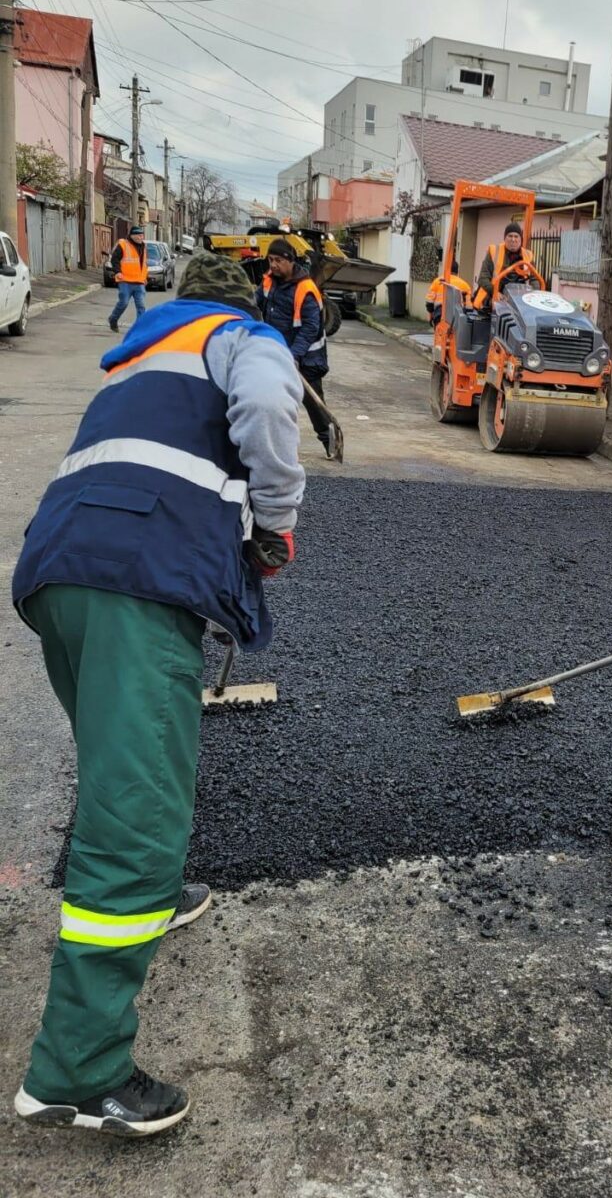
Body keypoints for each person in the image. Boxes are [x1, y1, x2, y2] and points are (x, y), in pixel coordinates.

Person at [11, 251, 304, 1135]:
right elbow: (267, 406)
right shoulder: (244, 338)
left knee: (117, 764)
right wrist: (276, 521)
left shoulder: (137, 359)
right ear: (240, 304)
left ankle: (156, 896)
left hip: (57, 571)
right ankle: (77, 1070)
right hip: (135, 585)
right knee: (137, 819)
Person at [257, 237, 334, 458]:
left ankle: (330, 441)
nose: (273, 265)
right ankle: (274, 445)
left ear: (290, 261)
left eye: (278, 260)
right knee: (272, 400)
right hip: (277, 354)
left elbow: (311, 327)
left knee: (314, 403)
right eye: (271, 260)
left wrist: (294, 355)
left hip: (307, 358)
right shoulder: (269, 282)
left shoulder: (305, 289)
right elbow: (254, 305)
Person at [473, 222, 540, 308]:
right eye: (510, 236)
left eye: (516, 236)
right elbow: (483, 278)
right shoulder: (494, 251)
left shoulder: (528, 255)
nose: (513, 239)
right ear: (505, 238)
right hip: (496, 294)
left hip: (521, 297)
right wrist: (495, 292)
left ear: (521, 239)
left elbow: (535, 279)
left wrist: (532, 295)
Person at [108, 225, 149, 332]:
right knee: (123, 303)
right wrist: (118, 272)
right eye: (138, 235)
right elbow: (114, 259)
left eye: (142, 235)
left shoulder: (144, 247)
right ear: (132, 235)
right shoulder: (123, 244)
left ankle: (139, 328)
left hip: (139, 282)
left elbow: (143, 264)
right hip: (125, 280)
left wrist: (145, 277)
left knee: (141, 306)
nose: (141, 237)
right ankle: (113, 319)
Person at [426, 258, 472, 326]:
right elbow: (469, 307)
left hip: (440, 314)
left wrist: (431, 316)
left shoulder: (437, 282)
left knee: (440, 331)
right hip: (457, 317)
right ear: (457, 271)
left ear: (446, 269)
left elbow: (429, 303)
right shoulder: (465, 285)